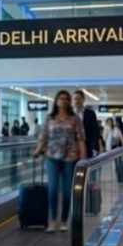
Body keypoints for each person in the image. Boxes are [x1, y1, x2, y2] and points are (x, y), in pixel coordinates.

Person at [33, 90, 86, 233]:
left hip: (70, 157)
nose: (63, 101)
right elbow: (43, 136)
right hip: (51, 156)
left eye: (66, 99)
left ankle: (63, 220)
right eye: (60, 98)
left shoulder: (75, 119)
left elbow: (81, 138)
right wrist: (38, 150)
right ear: (56, 101)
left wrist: (83, 158)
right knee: (53, 188)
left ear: (69, 102)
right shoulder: (49, 118)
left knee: (68, 190)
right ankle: (52, 221)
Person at [72, 90, 103, 157]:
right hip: (71, 148)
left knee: (84, 166)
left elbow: (95, 131)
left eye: (79, 99)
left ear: (83, 100)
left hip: (87, 147)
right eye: (75, 99)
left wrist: (94, 147)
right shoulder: (68, 113)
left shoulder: (90, 113)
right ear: (72, 100)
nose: (77, 101)